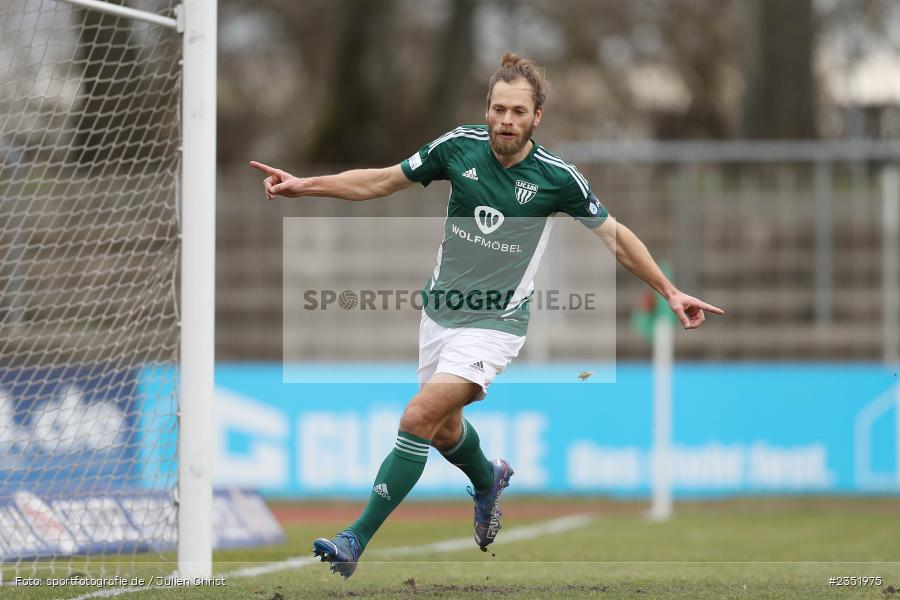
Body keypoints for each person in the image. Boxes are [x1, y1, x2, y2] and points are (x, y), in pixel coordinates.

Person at [250, 53, 724, 579]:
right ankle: (487, 477)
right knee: (444, 427)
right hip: (439, 314)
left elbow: (615, 237)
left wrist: (669, 290)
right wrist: (304, 185)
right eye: (499, 109)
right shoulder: (457, 148)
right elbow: (382, 181)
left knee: (417, 418)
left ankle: (353, 539)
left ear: (537, 116)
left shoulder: (557, 178)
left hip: (496, 324)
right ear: (488, 109)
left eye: (518, 112)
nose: (505, 120)